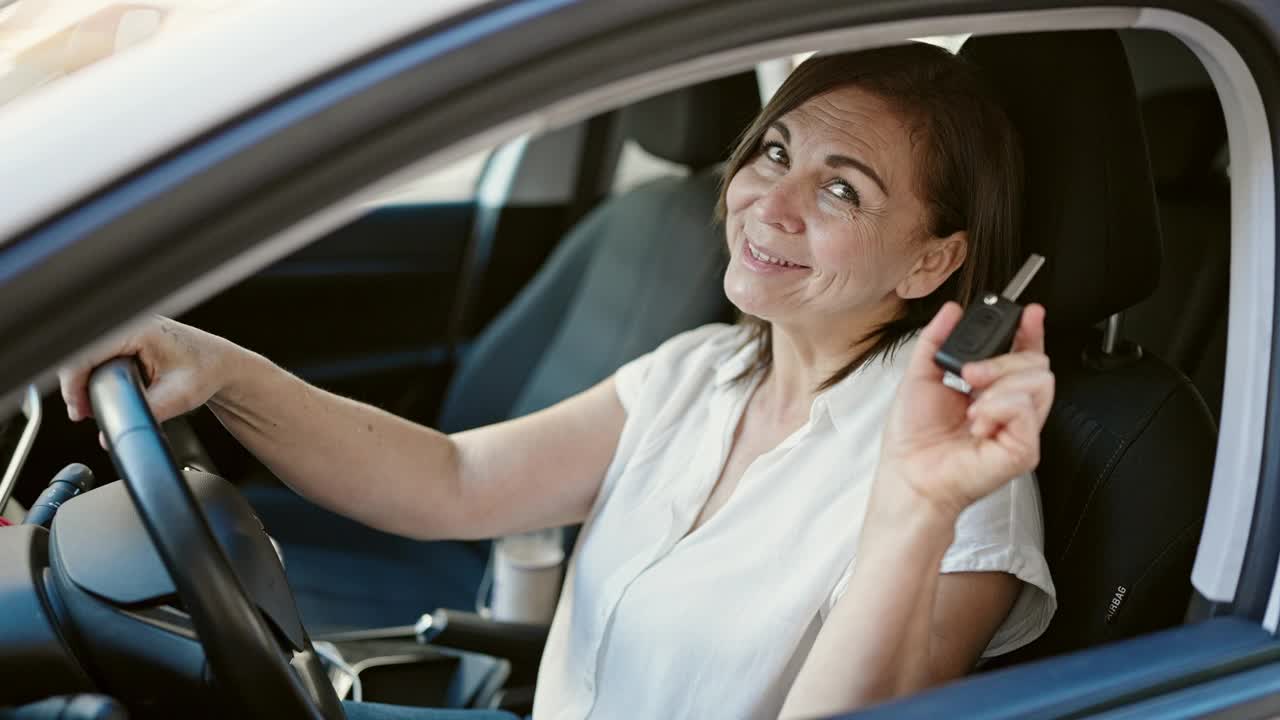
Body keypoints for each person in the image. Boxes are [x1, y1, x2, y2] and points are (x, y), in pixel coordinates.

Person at [59, 43, 1056, 720]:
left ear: (929, 263)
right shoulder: (695, 371)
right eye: (775, 152)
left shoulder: (956, 477)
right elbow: (451, 481)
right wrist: (221, 369)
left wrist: (911, 507)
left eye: (840, 188)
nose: (770, 203)